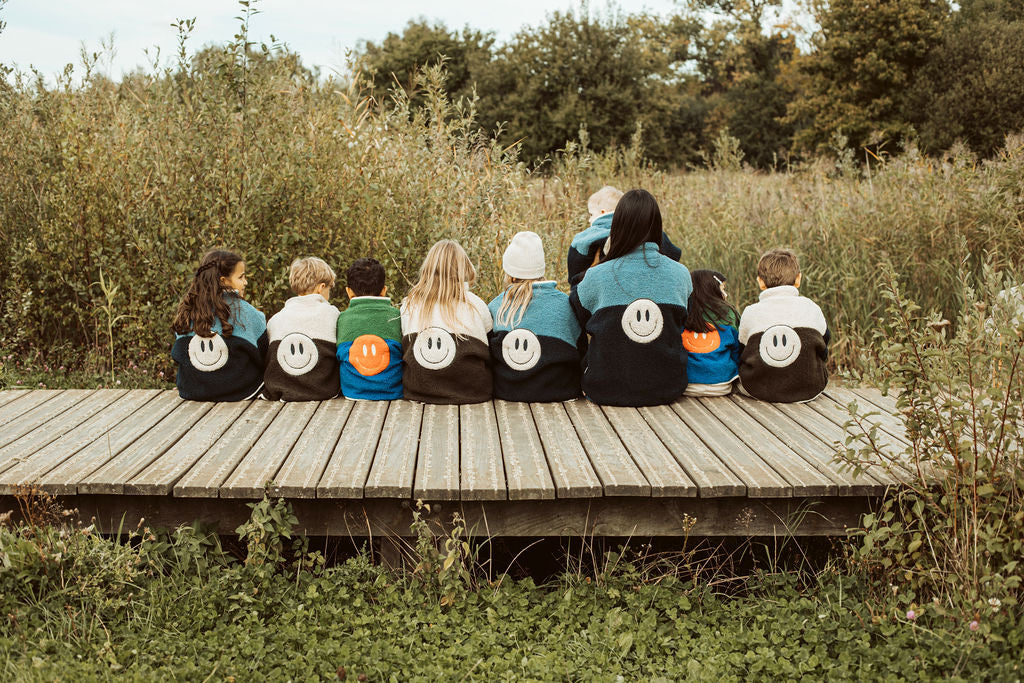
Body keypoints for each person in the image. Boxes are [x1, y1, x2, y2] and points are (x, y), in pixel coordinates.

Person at [570, 189, 692, 406]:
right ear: (657, 226)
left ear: (617, 225)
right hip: (667, 387)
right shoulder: (681, 274)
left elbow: (577, 317)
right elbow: (683, 322)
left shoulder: (596, 276)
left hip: (603, 389)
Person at [488, 231, 583, 402]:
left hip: (507, 393)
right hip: (560, 393)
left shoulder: (496, 306)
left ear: (512, 274)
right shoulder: (565, 304)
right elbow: (582, 349)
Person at [401, 240, 493, 404]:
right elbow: (490, 347)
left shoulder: (409, 304)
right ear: (463, 268)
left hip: (418, 391)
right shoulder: (476, 304)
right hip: (472, 393)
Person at [171, 249, 267, 401]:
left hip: (192, 390)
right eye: (241, 277)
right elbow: (264, 356)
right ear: (223, 281)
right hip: (240, 390)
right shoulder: (246, 312)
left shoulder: (188, 310)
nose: (245, 282)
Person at [738, 248, 830, 402]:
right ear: (798, 279)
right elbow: (824, 345)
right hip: (810, 389)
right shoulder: (811, 307)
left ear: (760, 282)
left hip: (758, 389)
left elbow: (742, 351)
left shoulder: (750, 312)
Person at [567, 185, 683, 293]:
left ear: (603, 212)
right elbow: (672, 253)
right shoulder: (645, 230)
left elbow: (576, 259)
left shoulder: (591, 234)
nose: (589, 219)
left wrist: (574, 283)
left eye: (591, 214)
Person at [263, 257, 341, 401]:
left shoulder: (275, 320)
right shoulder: (333, 314)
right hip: (323, 390)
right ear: (321, 287)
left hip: (279, 389)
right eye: (330, 288)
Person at [336, 257, 403, 400]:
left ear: (349, 292)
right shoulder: (396, 316)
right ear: (384, 290)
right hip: (393, 391)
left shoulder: (342, 318)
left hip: (353, 392)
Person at [682, 270, 742, 397]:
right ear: (712, 291)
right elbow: (738, 349)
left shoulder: (684, 312)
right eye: (722, 289)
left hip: (687, 385)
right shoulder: (728, 313)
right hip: (722, 384)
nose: (725, 294)